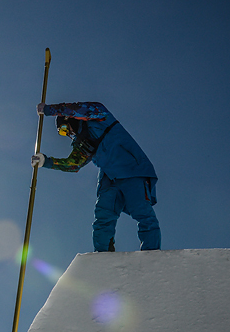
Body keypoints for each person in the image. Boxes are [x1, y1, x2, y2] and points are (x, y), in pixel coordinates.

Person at [31, 102, 160, 252]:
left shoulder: (99, 116)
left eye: (65, 130)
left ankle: (151, 253)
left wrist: (50, 110)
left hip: (132, 169)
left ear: (71, 120)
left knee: (142, 212)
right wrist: (46, 162)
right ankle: (103, 256)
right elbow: (74, 164)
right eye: (63, 134)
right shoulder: (85, 143)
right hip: (110, 179)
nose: (68, 134)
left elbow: (79, 109)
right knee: (103, 216)